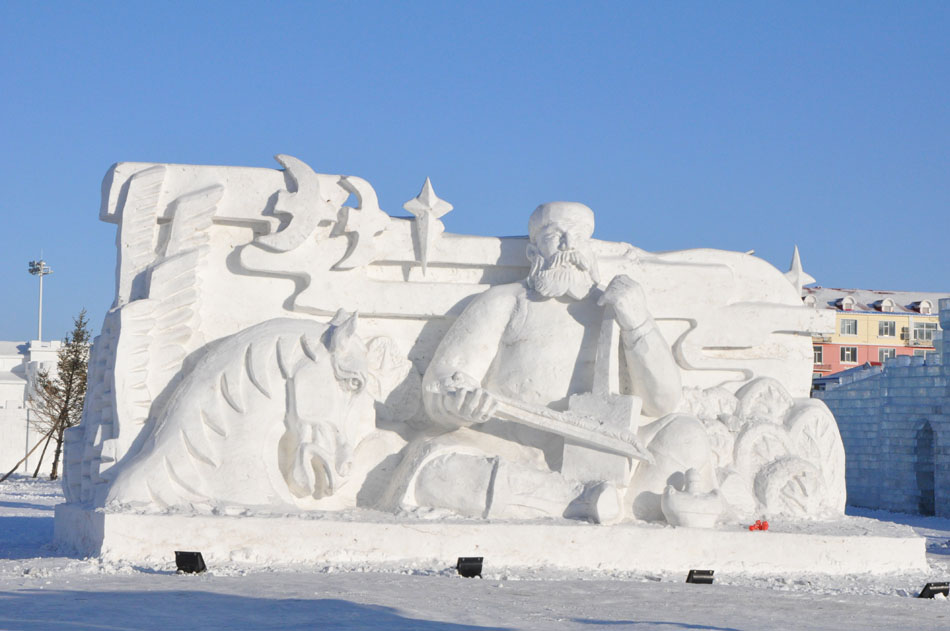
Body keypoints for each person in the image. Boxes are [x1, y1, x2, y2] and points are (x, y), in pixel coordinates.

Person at [390, 202, 715, 523]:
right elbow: (442, 382)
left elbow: (663, 402)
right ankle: (582, 499)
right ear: (533, 253)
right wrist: (461, 403)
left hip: (608, 447)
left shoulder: (615, 308)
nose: (568, 244)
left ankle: (619, 502)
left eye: (578, 235)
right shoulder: (505, 301)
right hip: (513, 448)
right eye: (554, 234)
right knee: (435, 471)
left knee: (687, 433)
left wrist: (639, 323)